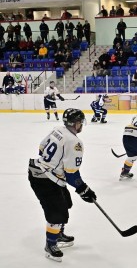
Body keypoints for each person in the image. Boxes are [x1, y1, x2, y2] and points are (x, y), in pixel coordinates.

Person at [28, 108, 96, 262]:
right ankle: (50, 244)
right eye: (81, 122)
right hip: (44, 179)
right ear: (77, 123)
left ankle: (58, 234)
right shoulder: (75, 142)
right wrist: (83, 189)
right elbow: (71, 174)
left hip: (42, 172)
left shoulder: (58, 130)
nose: (81, 126)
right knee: (57, 212)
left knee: (66, 203)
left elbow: (41, 148)